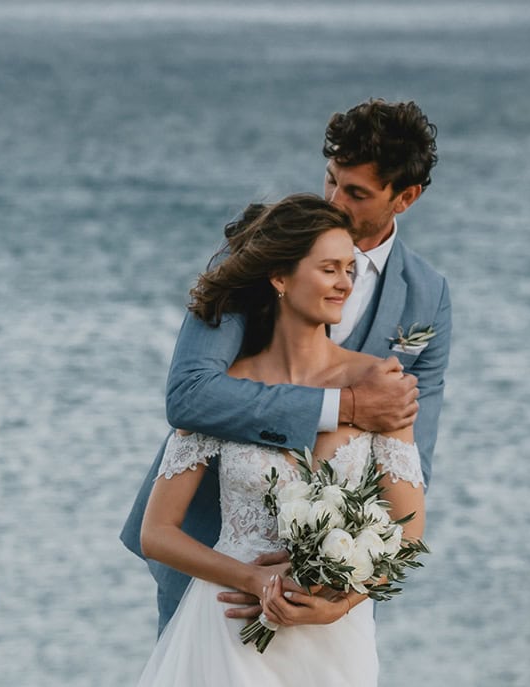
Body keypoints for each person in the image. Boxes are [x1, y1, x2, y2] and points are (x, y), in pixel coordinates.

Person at [120, 98, 451, 633]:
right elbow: (189, 395)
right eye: (331, 181)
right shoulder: (258, 256)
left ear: (405, 198)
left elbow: (415, 470)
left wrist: (342, 593)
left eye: (357, 192)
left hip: (330, 588)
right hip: (213, 553)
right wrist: (342, 406)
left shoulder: (427, 298)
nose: (335, 201)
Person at [135, 194, 426, 686]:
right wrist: (250, 577)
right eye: (329, 268)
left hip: (331, 641)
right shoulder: (226, 390)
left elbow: (409, 532)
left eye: (350, 270)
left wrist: (341, 603)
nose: (345, 283)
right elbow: (156, 533)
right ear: (280, 278)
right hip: (228, 625)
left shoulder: (378, 385)